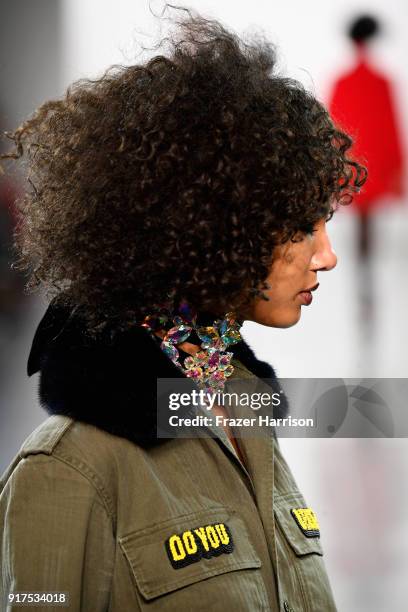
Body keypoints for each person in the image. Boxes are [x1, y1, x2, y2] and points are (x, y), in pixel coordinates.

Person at [0, 9, 366, 612]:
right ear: (217, 223)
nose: (326, 257)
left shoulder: (249, 423)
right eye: (302, 227)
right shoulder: (68, 469)